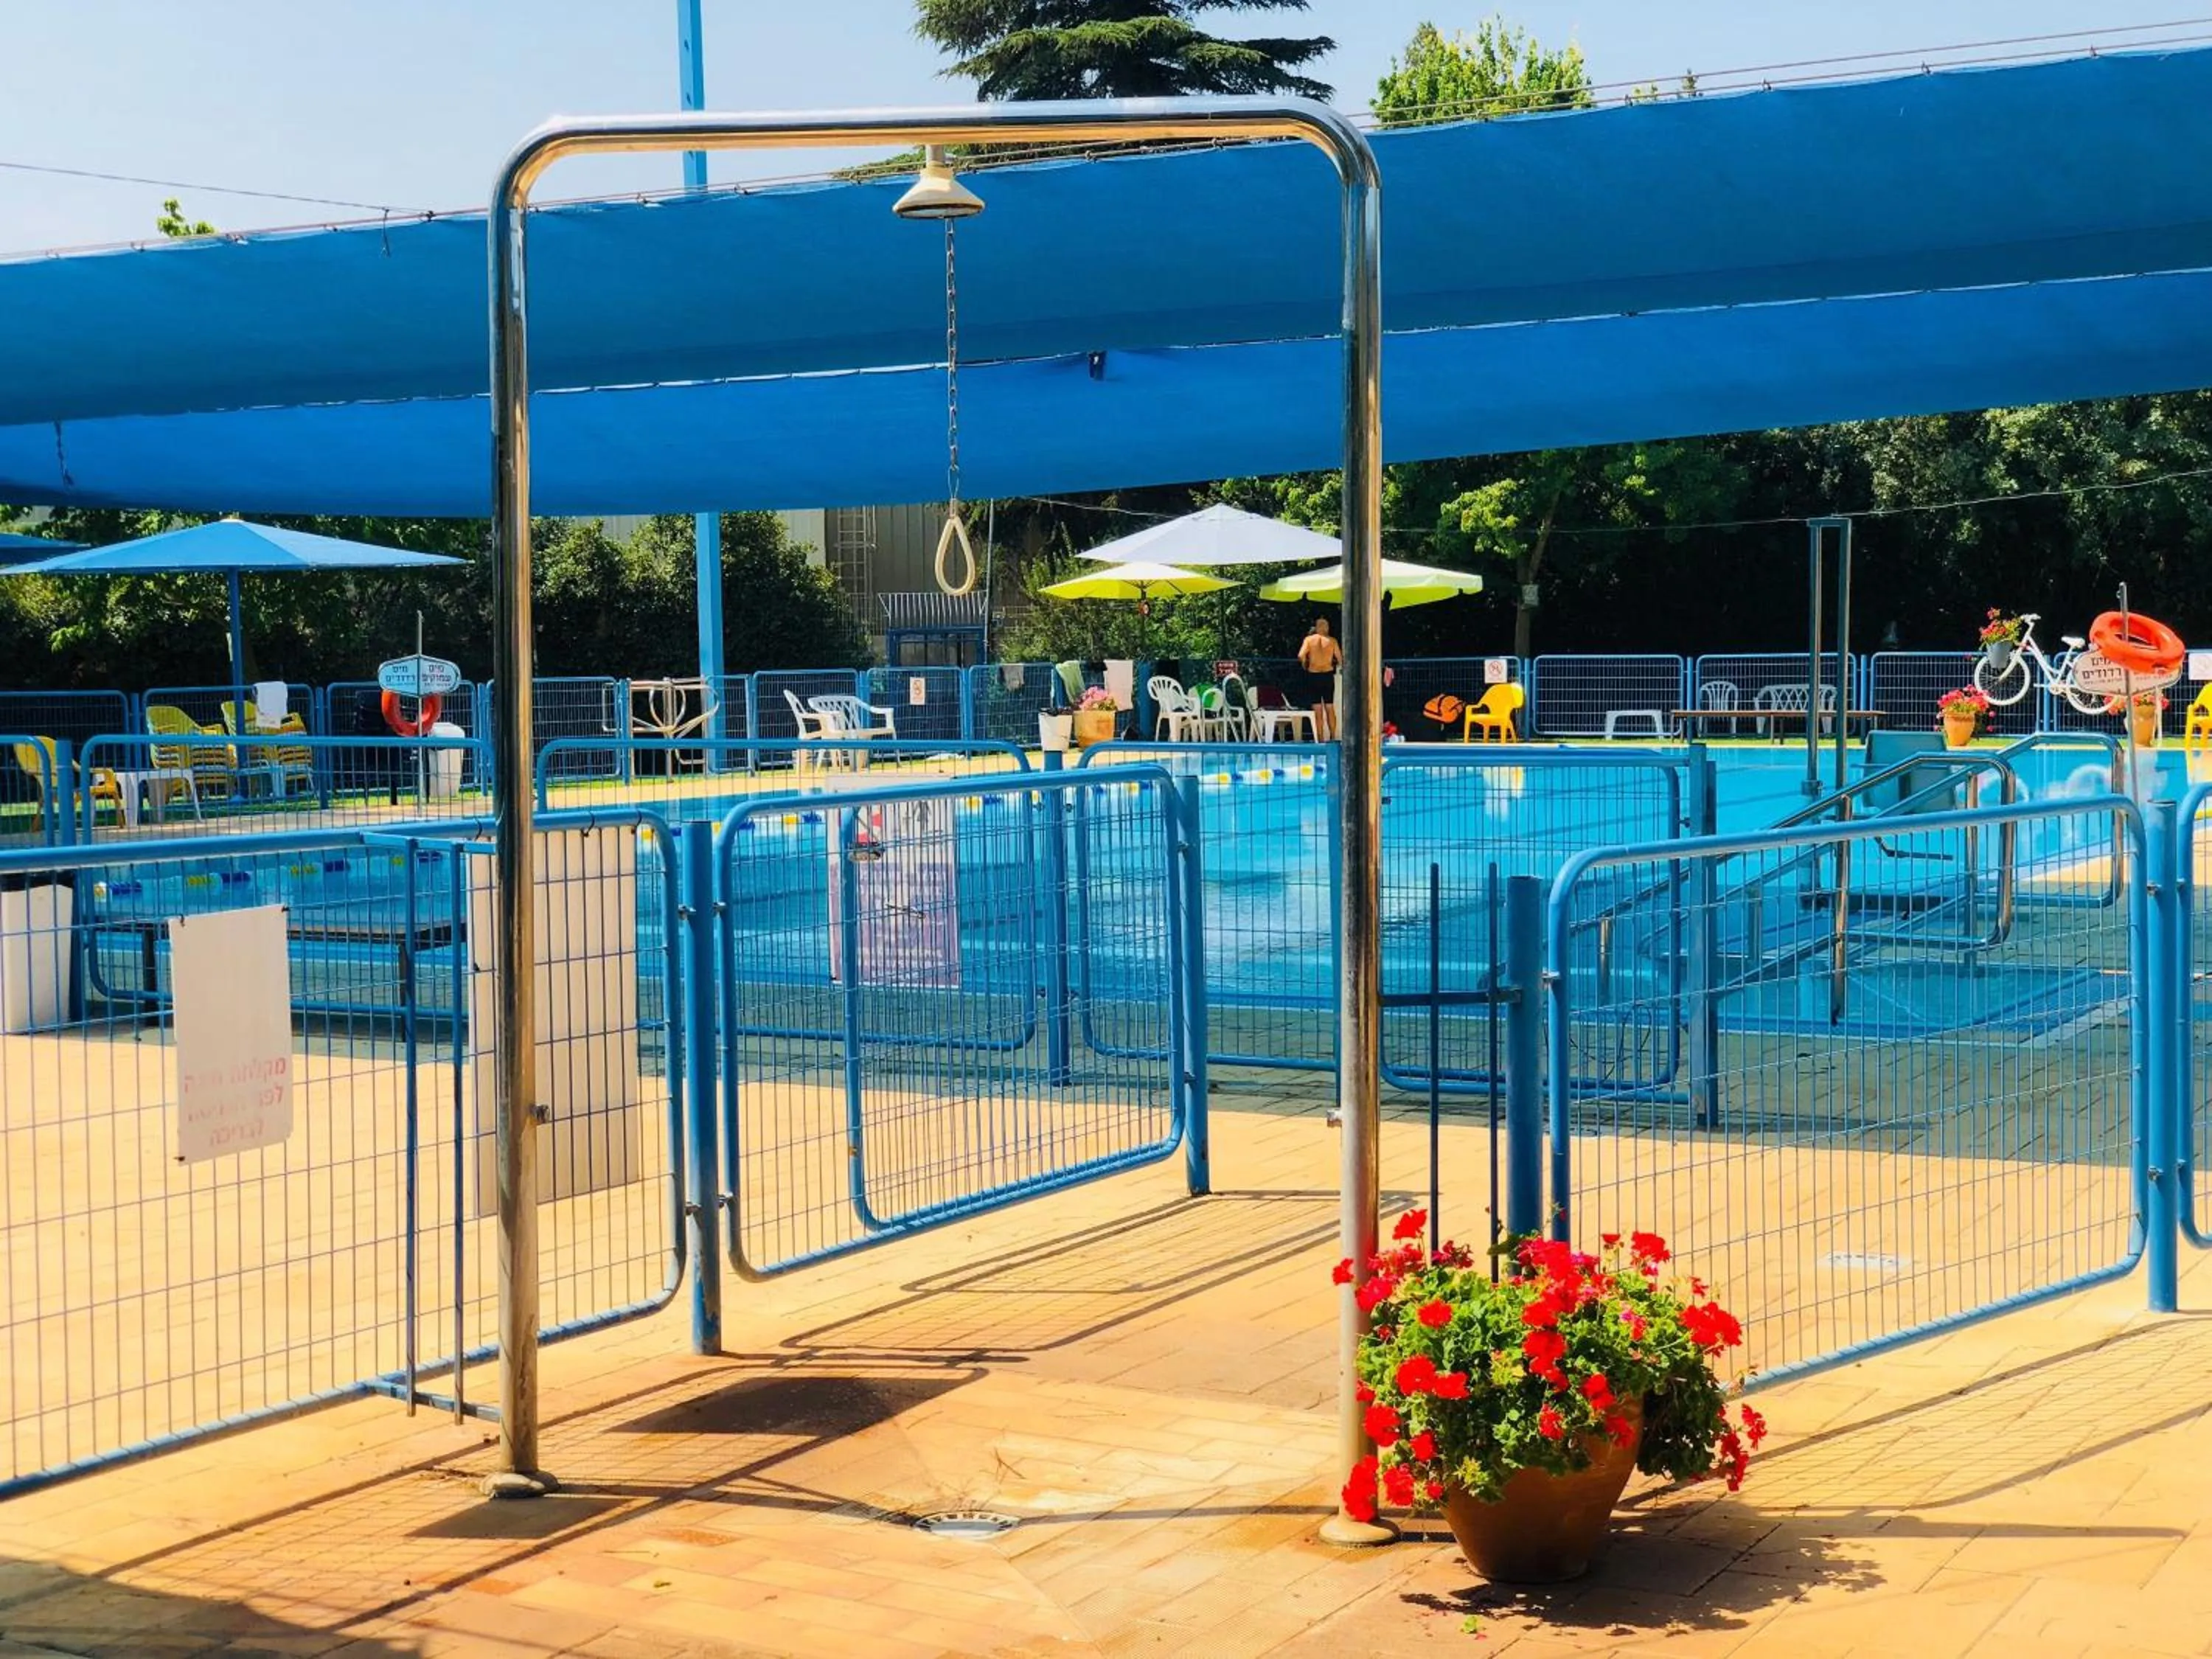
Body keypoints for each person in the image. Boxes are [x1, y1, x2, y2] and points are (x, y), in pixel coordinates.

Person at [1297, 616, 1343, 740]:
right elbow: (1340, 659)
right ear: (1326, 627)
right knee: (1330, 707)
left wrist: (1305, 663)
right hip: (1327, 675)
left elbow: (1301, 655)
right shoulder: (1332, 641)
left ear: (1316, 628)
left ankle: (1320, 739)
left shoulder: (1309, 640)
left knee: (1317, 709)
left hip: (1314, 675)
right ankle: (1333, 738)